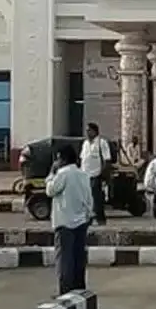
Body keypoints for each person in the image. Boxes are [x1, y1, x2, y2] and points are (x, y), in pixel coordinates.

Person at [45, 143, 93, 294]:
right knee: (78, 258)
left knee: (64, 259)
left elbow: (50, 190)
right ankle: (79, 290)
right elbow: (89, 198)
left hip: (64, 222)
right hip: (81, 221)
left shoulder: (62, 174)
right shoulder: (83, 174)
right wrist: (89, 214)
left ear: (61, 158)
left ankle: (65, 292)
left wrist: (51, 173)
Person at [80, 123, 113, 225]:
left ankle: (101, 219)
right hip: (85, 175)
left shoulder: (101, 143)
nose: (87, 132)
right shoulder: (85, 144)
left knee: (97, 198)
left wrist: (102, 175)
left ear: (94, 131)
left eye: (89, 130)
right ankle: (88, 219)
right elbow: (82, 159)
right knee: (86, 199)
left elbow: (107, 160)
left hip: (96, 175)